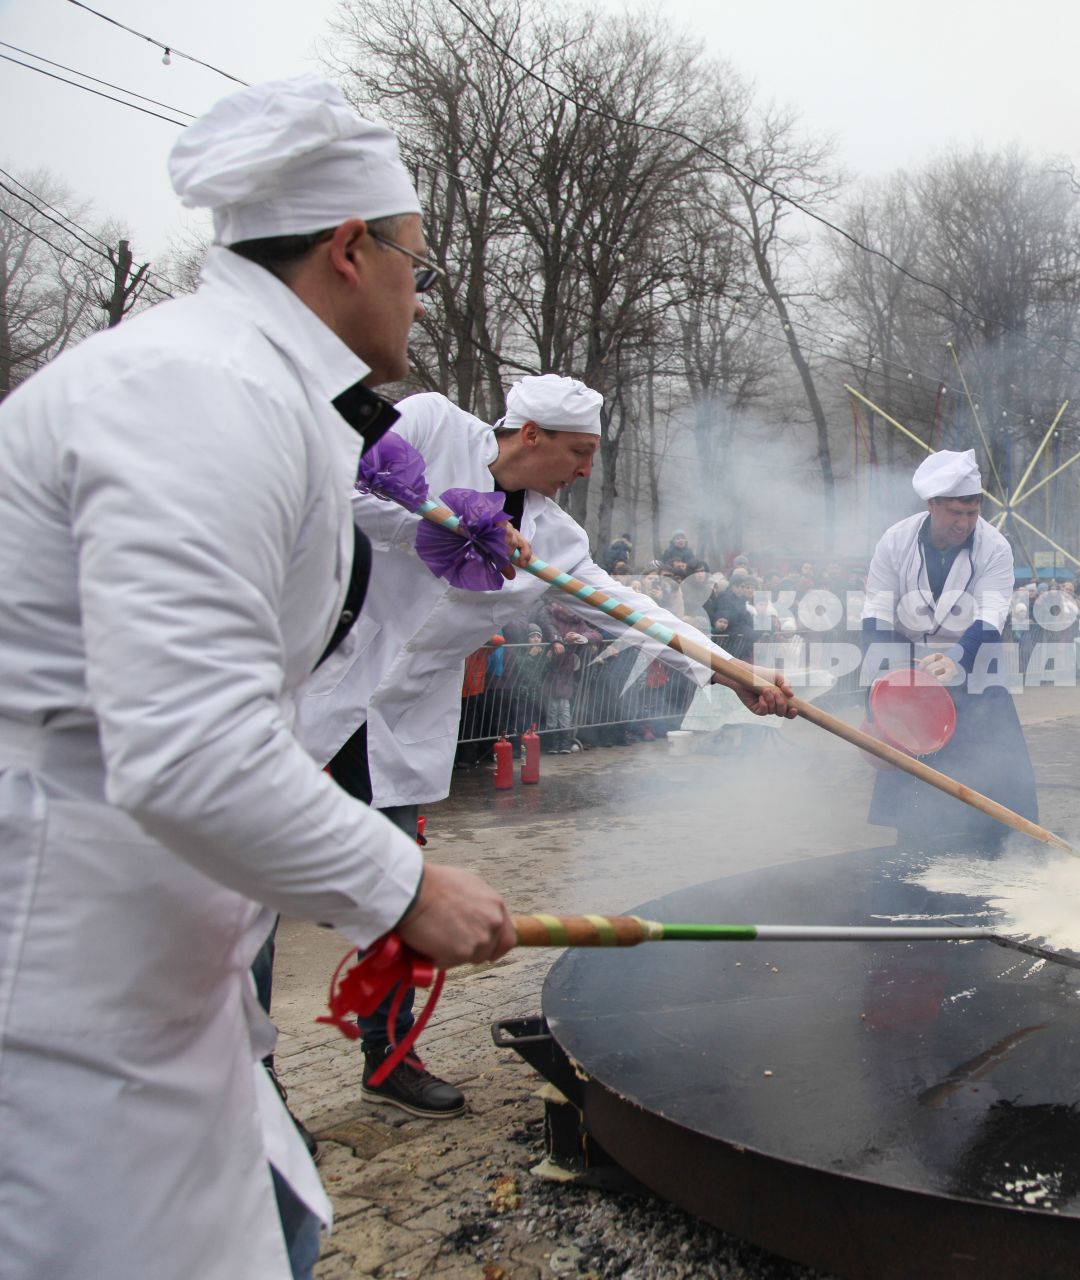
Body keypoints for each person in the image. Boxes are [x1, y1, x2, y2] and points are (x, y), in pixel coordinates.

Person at [0, 76, 518, 1279]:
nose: (417, 297)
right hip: (62, 979)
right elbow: (186, 745)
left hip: (148, 967)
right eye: (416, 266)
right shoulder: (197, 389)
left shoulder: (250, 385)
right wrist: (403, 882)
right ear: (350, 249)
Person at [297, 375, 793, 1113]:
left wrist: (729, 671)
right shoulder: (431, 425)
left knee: (397, 891)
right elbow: (328, 482)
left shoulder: (558, 538)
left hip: (403, 719)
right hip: (318, 686)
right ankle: (255, 1080)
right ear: (530, 434)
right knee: (244, 891)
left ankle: (388, 1055)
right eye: (578, 451)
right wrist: (443, 522)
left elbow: (631, 610)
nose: (586, 470)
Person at [861, 449, 1038, 842]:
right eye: (955, 513)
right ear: (932, 506)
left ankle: (994, 854)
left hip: (976, 672)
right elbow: (876, 614)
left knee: (996, 794)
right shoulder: (895, 541)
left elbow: (991, 615)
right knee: (914, 804)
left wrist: (958, 658)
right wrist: (879, 698)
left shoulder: (995, 547)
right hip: (909, 673)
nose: (965, 523)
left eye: (972, 512)